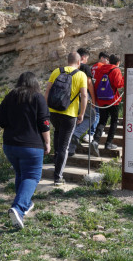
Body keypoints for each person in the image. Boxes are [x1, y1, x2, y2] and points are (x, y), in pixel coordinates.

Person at [0, 72, 51, 229]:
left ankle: (24, 203)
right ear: (35, 83)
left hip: (10, 145)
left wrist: (13, 125)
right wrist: (47, 142)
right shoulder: (37, 97)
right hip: (32, 146)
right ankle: (18, 208)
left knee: (20, 173)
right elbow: (44, 122)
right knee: (32, 176)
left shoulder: (10, 96)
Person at [45, 52, 88, 185]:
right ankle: (58, 177)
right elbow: (84, 96)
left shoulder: (57, 71)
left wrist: (46, 110)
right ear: (79, 62)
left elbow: (47, 92)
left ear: (67, 61)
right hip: (69, 114)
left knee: (57, 135)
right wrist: (81, 114)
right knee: (65, 146)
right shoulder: (81, 75)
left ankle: (56, 163)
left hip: (54, 112)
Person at [90, 54, 125, 156]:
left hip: (101, 99)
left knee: (102, 120)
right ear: (118, 63)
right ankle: (108, 143)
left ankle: (95, 141)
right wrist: (124, 78)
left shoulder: (101, 69)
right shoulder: (116, 70)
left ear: (109, 61)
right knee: (114, 121)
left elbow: (96, 83)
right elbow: (119, 84)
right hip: (113, 100)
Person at [67, 48, 97, 157]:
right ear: (83, 57)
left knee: (76, 121)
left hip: (69, 100)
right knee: (91, 116)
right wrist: (93, 99)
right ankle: (76, 135)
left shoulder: (67, 68)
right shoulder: (84, 67)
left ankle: (71, 149)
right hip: (82, 98)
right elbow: (89, 84)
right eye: (87, 58)